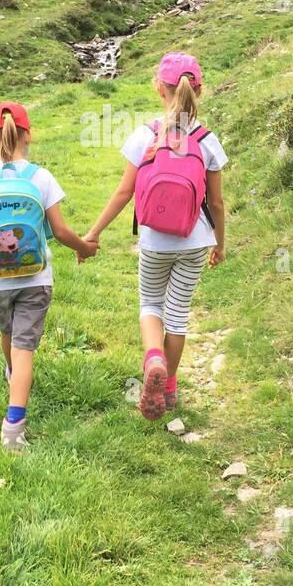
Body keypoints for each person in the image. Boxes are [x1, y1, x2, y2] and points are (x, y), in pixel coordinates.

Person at [84, 53, 226, 420]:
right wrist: (220, 244)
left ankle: (153, 361)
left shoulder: (146, 135)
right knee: (177, 315)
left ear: (159, 91)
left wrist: (93, 233)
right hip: (195, 241)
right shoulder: (207, 141)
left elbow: (122, 193)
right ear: (200, 91)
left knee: (150, 304)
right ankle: (171, 386)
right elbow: (218, 203)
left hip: (154, 241)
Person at [0, 100, 97, 450]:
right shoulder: (41, 177)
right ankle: (13, 427)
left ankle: (13, 377)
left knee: (8, 332)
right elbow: (60, 231)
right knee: (24, 349)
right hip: (35, 279)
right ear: (28, 136)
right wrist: (84, 247)